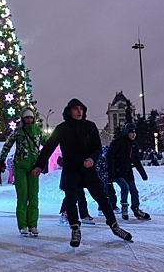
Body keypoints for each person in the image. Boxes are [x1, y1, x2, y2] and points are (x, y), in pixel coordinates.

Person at [32, 98, 132, 247]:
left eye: (81, 108)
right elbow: (49, 147)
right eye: (75, 109)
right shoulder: (62, 129)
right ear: (69, 111)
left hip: (88, 169)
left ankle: (114, 226)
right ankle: (75, 229)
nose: (79, 111)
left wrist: (91, 159)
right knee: (71, 199)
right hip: (71, 169)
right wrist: (39, 166)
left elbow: (97, 148)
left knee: (102, 197)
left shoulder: (90, 127)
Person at [0, 107, 44, 236]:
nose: (29, 120)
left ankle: (33, 224)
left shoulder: (38, 132)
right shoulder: (18, 132)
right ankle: (23, 224)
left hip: (34, 168)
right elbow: (7, 145)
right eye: (26, 117)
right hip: (20, 167)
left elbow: (48, 143)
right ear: (23, 119)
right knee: (22, 197)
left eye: (31, 117)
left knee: (34, 197)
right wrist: (2, 159)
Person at [107, 123, 150, 220]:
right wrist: (111, 172)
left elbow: (136, 161)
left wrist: (143, 174)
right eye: (131, 132)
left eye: (135, 132)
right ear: (127, 132)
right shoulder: (118, 142)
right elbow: (110, 157)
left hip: (128, 172)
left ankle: (136, 209)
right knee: (124, 187)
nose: (133, 134)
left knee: (134, 191)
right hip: (118, 171)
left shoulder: (134, 145)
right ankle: (124, 207)